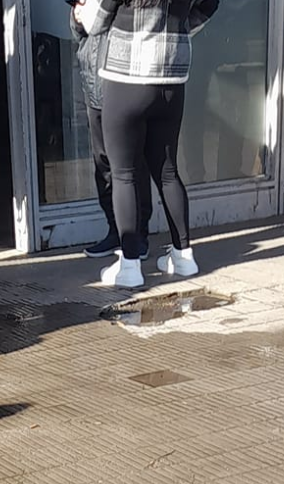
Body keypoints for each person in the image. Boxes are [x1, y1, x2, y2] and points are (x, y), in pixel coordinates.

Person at [76, 0, 219, 288]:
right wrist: (180, 29)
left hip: (125, 79)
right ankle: (183, 257)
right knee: (168, 172)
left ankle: (129, 266)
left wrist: (82, 13)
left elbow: (97, 23)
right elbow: (211, 4)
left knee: (123, 174)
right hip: (171, 80)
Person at [70, 6, 152, 260]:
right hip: (93, 85)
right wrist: (77, 17)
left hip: (123, 86)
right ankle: (115, 230)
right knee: (103, 163)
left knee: (132, 164)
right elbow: (79, 34)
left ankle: (138, 235)